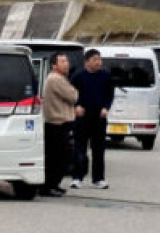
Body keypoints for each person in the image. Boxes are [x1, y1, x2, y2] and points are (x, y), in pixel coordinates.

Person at [69, 49, 113, 189]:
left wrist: (106, 107)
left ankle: (98, 179)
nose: (98, 62)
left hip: (99, 117)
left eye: (99, 59)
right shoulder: (78, 76)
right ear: (87, 61)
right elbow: (70, 94)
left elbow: (110, 94)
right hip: (82, 117)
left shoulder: (106, 76)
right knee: (79, 148)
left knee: (98, 149)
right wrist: (75, 106)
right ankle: (77, 177)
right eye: (95, 59)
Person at [41, 55, 80, 197]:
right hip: (57, 124)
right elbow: (74, 96)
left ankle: (53, 185)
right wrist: (75, 92)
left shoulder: (58, 79)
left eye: (67, 61)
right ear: (54, 65)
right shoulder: (56, 79)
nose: (66, 64)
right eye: (62, 61)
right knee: (57, 157)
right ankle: (49, 186)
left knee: (59, 157)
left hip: (58, 123)